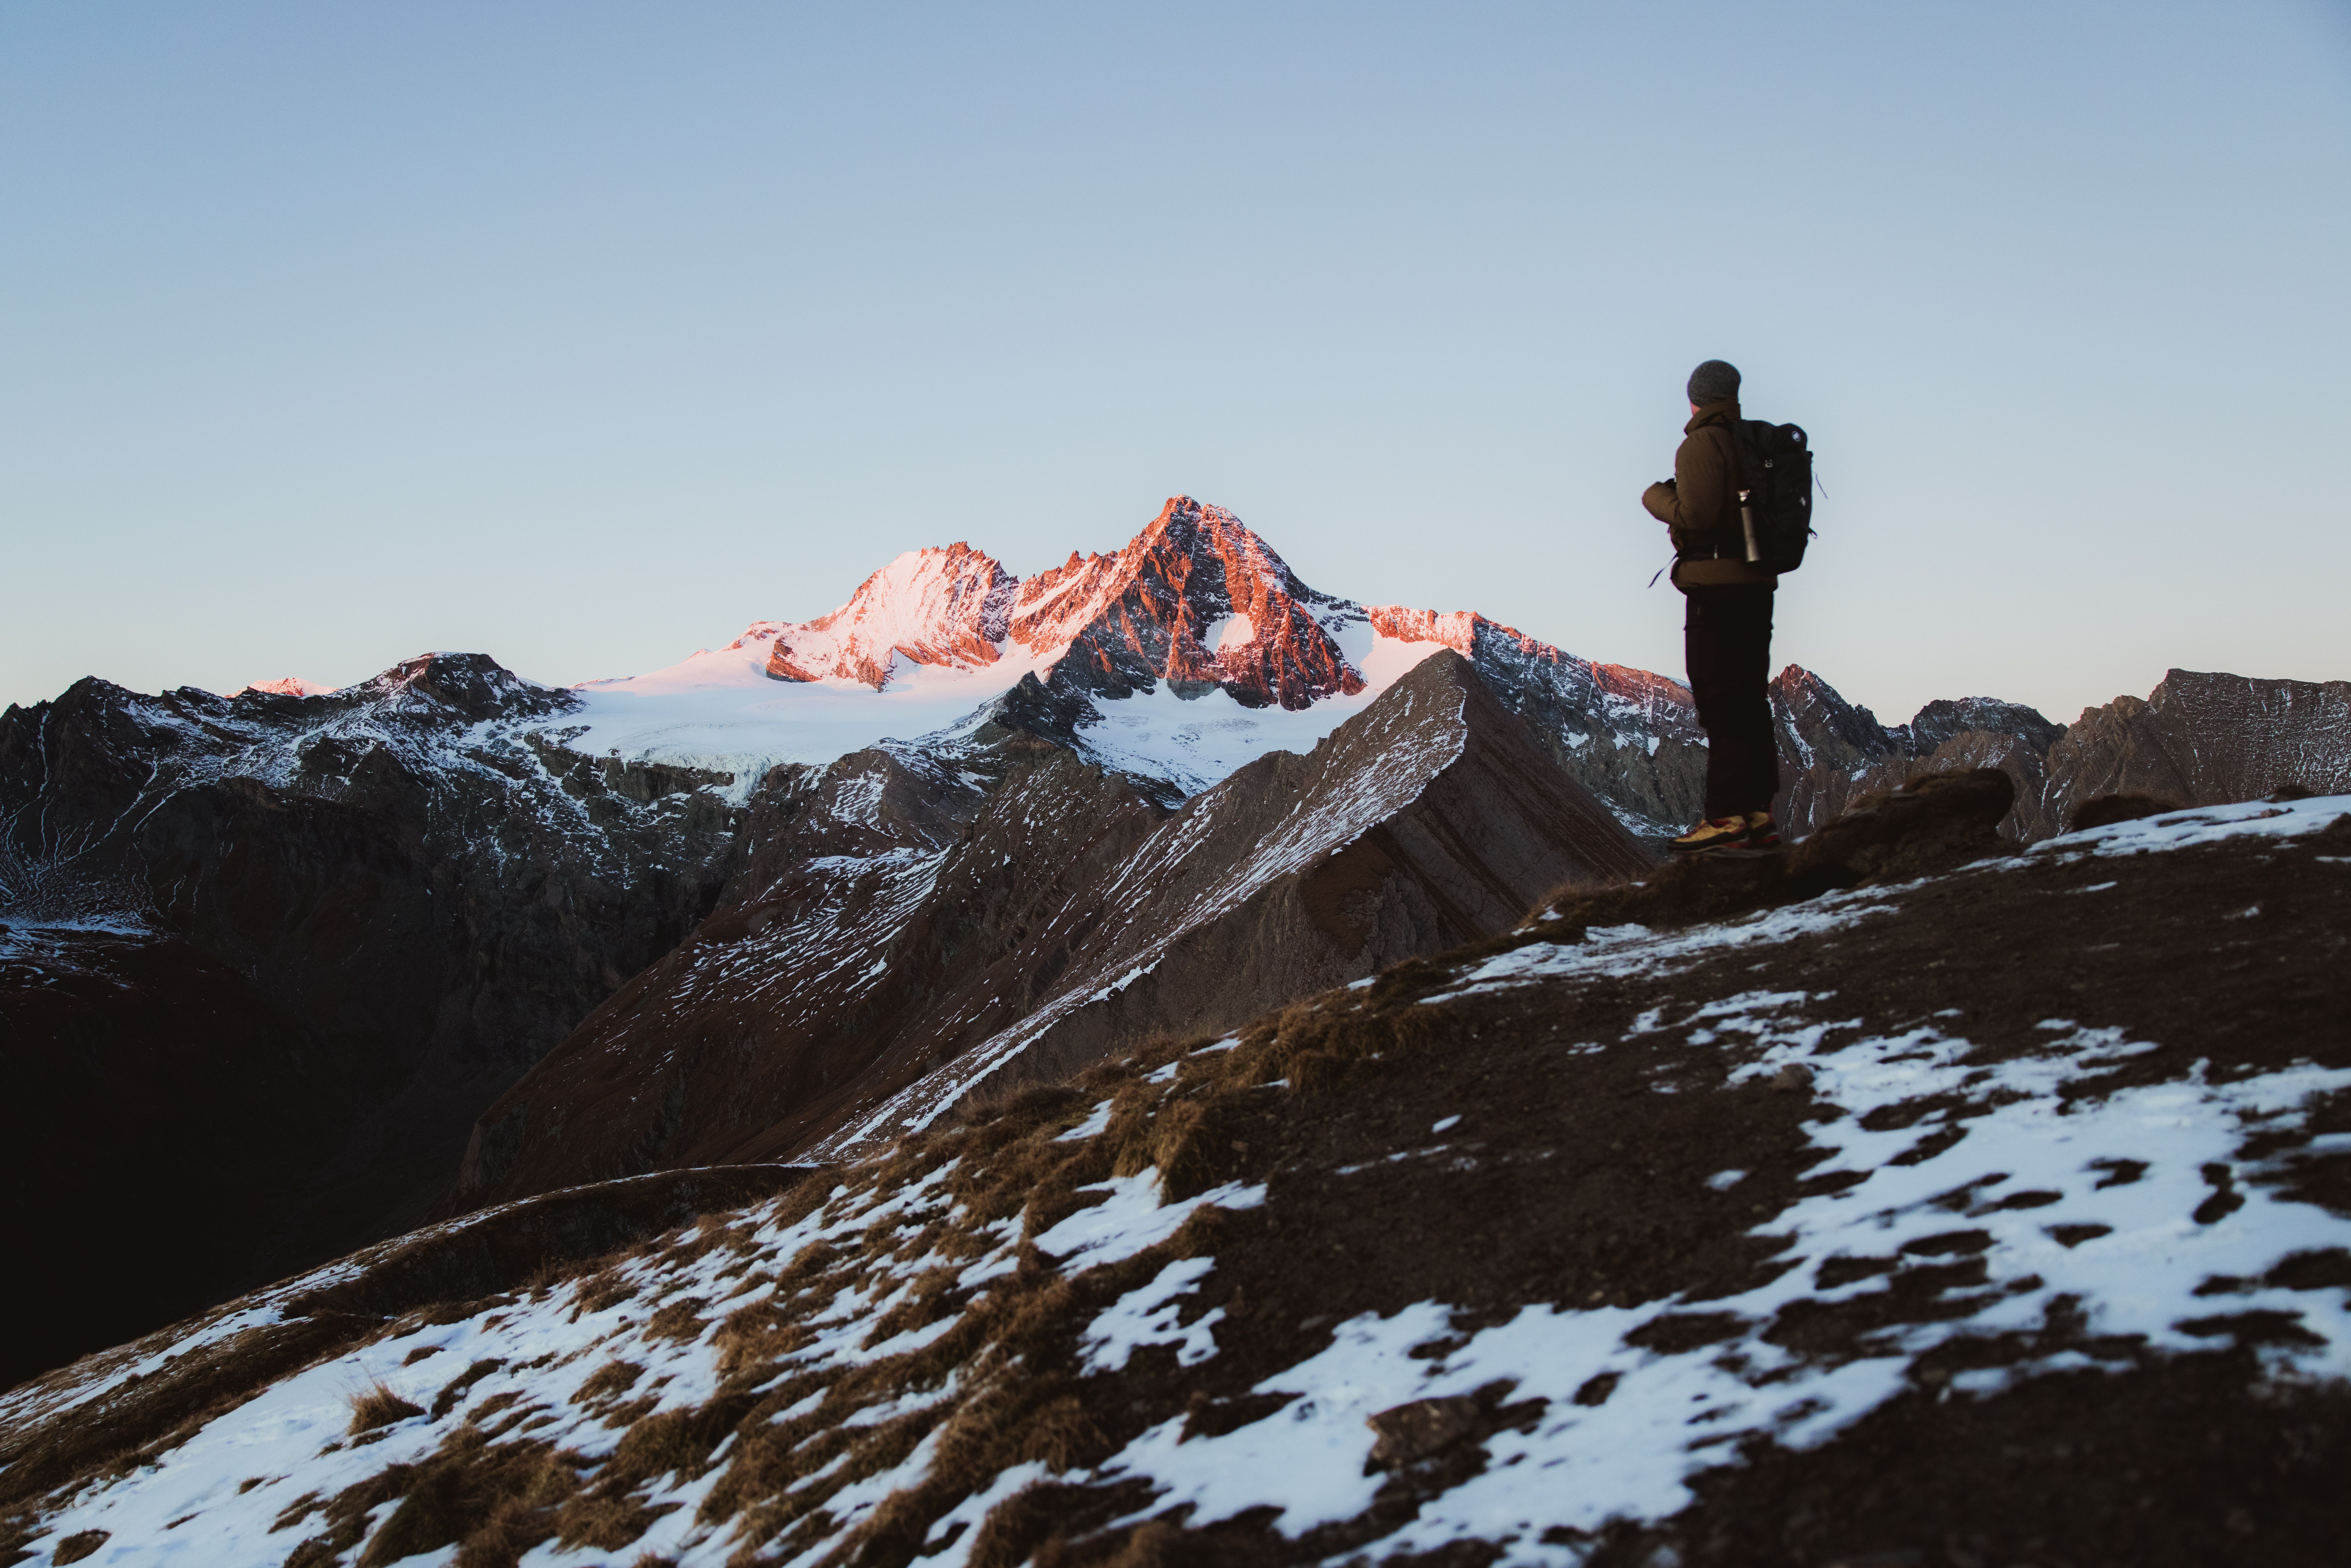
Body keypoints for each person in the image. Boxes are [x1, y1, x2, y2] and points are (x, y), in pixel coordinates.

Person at [1641, 359, 1782, 853]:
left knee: (1719, 700)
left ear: (1695, 398)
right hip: (1757, 589)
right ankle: (1758, 813)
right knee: (1748, 698)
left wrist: (1656, 498)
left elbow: (1696, 515)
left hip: (1716, 591)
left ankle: (1723, 817)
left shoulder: (1703, 443)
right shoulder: (1753, 443)